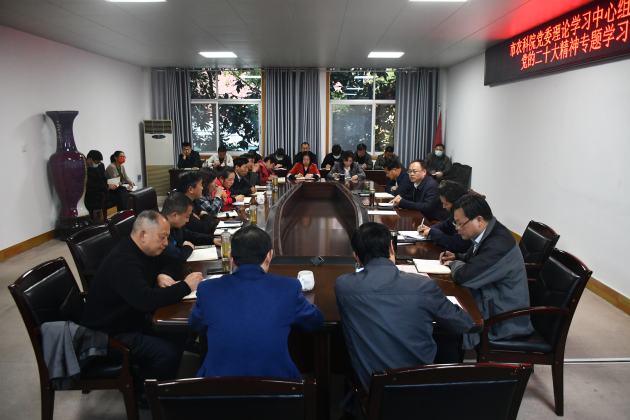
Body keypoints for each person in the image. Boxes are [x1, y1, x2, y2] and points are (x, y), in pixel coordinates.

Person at [335, 223, 473, 403]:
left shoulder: (343, 286)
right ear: (391, 248)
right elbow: (464, 323)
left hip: (376, 393)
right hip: (420, 391)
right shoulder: (424, 285)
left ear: (356, 257)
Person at [80, 211, 203, 405]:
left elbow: (173, 261)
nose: (166, 243)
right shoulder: (124, 261)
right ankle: (143, 394)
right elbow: (146, 300)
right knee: (167, 353)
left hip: (131, 318)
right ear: (143, 234)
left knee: (178, 333)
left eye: (167, 238)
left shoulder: (146, 250)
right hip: (109, 333)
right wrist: (185, 286)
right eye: (162, 237)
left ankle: (164, 386)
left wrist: (162, 274)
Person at [189, 225, 323, 379]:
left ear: (231, 257)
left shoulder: (207, 289)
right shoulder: (288, 287)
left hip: (218, 388)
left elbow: (196, 324)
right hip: (279, 388)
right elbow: (315, 321)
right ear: (269, 256)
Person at [440, 195, 534, 349]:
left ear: (479, 220)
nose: (457, 228)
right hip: (490, 298)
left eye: (460, 223)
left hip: (503, 320)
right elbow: (477, 260)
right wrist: (457, 256)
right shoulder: (491, 231)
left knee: (445, 328)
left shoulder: (498, 245)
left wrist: (454, 263)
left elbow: (464, 277)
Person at [161, 192, 219, 262]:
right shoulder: (160, 232)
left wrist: (212, 239)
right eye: (187, 217)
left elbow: (190, 235)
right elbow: (176, 256)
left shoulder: (175, 225)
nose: (188, 220)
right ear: (174, 215)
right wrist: (188, 247)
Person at [418, 181, 473, 254]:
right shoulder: (456, 213)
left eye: (446, 204)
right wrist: (429, 229)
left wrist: (432, 232)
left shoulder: (467, 218)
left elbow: (455, 244)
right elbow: (445, 225)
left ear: (456, 202)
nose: (443, 207)